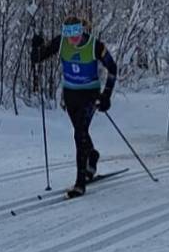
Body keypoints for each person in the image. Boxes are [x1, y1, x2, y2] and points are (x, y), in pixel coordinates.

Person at [31, 15, 117, 197]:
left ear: (82, 30)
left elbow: (113, 68)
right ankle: (92, 155)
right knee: (81, 131)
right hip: (70, 95)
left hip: (90, 94)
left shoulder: (95, 45)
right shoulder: (61, 43)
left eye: (76, 34)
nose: (73, 39)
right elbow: (38, 58)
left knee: (79, 133)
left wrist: (106, 95)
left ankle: (80, 183)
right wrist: (35, 46)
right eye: (69, 35)